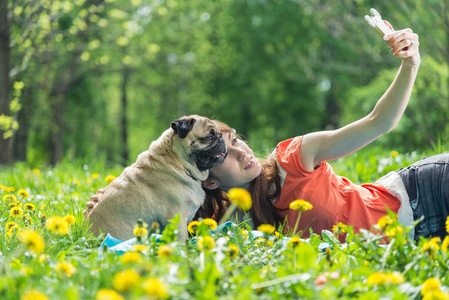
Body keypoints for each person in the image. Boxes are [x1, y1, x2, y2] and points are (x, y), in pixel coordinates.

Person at [86, 22, 448, 242]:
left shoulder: (293, 158)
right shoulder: (225, 218)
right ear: (208, 181)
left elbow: (378, 122)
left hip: (424, 195)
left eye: (236, 139)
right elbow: (154, 227)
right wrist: (112, 205)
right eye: (226, 153)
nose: (243, 151)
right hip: (419, 243)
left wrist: (410, 64)